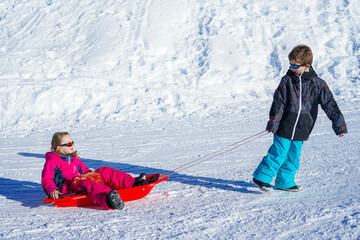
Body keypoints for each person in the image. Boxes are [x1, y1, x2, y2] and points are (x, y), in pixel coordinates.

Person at [252, 45, 347, 192]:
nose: (291, 67)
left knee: (293, 157)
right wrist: (273, 122)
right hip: (284, 125)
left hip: (303, 126)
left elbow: (330, 105)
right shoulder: (287, 81)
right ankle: (262, 177)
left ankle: (285, 182)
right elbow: (278, 102)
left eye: (295, 65)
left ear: (306, 66)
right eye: (290, 64)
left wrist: (339, 125)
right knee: (279, 152)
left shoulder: (318, 84)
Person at [41, 132, 150, 210]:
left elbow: (85, 170)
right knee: (88, 182)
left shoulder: (74, 159)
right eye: (69, 144)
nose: (72, 145)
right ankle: (108, 199)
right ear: (58, 147)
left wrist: (93, 174)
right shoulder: (52, 162)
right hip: (69, 187)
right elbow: (46, 180)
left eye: (72, 142)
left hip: (80, 180)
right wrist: (52, 190)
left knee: (104, 171)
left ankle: (131, 183)